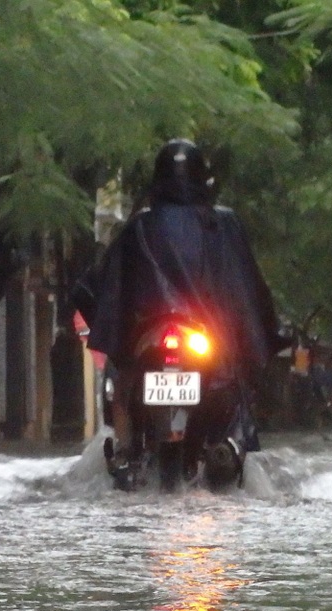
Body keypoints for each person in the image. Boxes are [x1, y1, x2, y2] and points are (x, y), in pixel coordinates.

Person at [76, 138, 285, 476]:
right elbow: (248, 288)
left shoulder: (140, 224)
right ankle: (231, 445)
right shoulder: (223, 223)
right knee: (234, 381)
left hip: (157, 338)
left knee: (125, 383)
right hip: (198, 339)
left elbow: (101, 285)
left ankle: (127, 453)